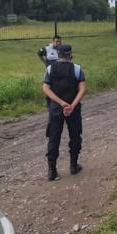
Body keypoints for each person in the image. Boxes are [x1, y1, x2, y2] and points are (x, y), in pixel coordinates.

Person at [41, 44, 87, 181]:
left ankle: (52, 171)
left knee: (54, 137)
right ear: (70, 54)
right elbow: (83, 89)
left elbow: (45, 89)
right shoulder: (77, 69)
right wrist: (72, 105)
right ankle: (73, 166)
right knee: (75, 135)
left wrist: (60, 103)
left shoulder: (50, 68)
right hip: (73, 108)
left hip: (56, 108)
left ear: (58, 54)